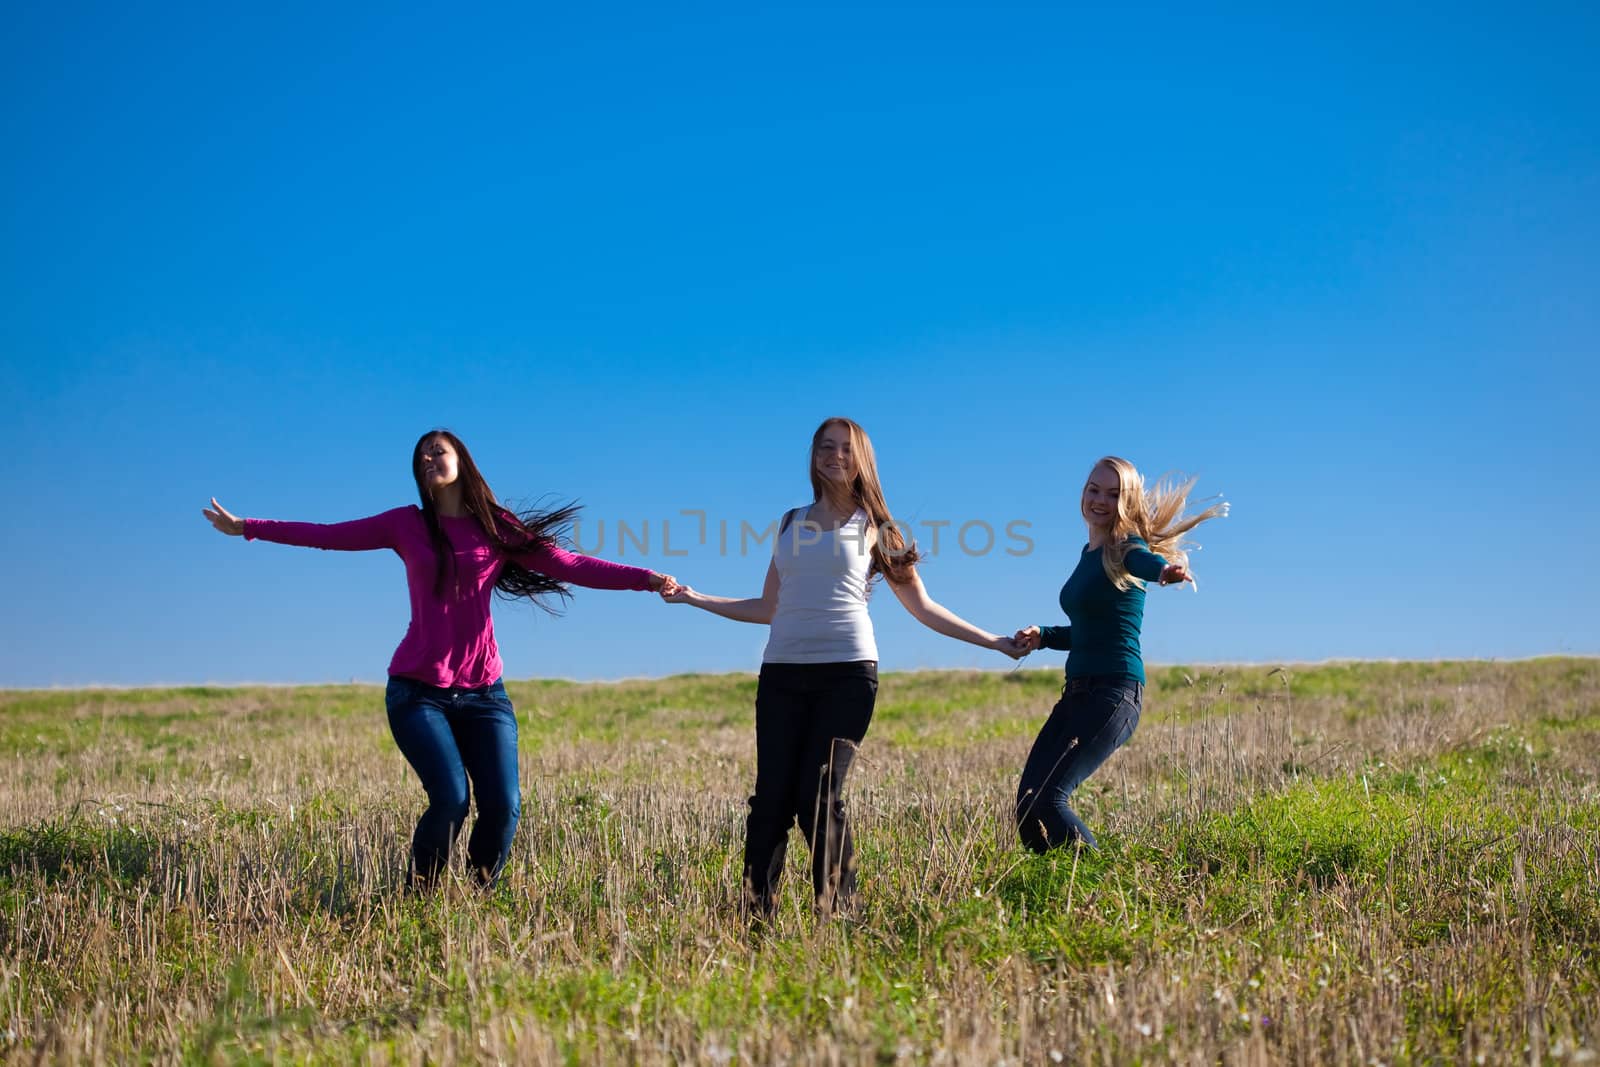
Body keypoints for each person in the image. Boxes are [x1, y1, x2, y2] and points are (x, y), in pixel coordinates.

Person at [201, 429, 677, 889]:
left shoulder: (496, 526)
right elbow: (329, 535)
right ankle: (420, 897)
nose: (428, 460)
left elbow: (569, 564)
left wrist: (646, 578)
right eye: (421, 457)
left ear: (461, 460)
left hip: (485, 694)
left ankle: (476, 895)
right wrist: (248, 528)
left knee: (504, 806)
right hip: (417, 691)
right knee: (450, 799)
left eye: (437, 451)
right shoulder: (404, 523)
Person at [663, 417, 1023, 920]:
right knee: (770, 802)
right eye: (826, 447)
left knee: (818, 795)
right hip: (782, 674)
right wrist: (696, 598)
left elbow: (922, 605)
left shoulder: (879, 528)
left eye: (846, 449)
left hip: (848, 674)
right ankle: (754, 921)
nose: (835, 455)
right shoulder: (790, 522)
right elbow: (769, 606)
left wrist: (994, 642)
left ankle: (840, 917)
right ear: (813, 455)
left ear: (862, 460)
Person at [1011, 455, 1226, 853]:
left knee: (1050, 799)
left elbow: (1144, 562)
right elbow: (1090, 632)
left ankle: (1096, 884)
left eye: (1113, 494)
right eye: (1094, 489)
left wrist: (1164, 571)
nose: (1100, 500)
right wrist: (1042, 635)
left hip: (1113, 694)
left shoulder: (1125, 547)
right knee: (1027, 803)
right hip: (1077, 693)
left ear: (1125, 502)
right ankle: (1054, 891)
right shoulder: (1088, 554)